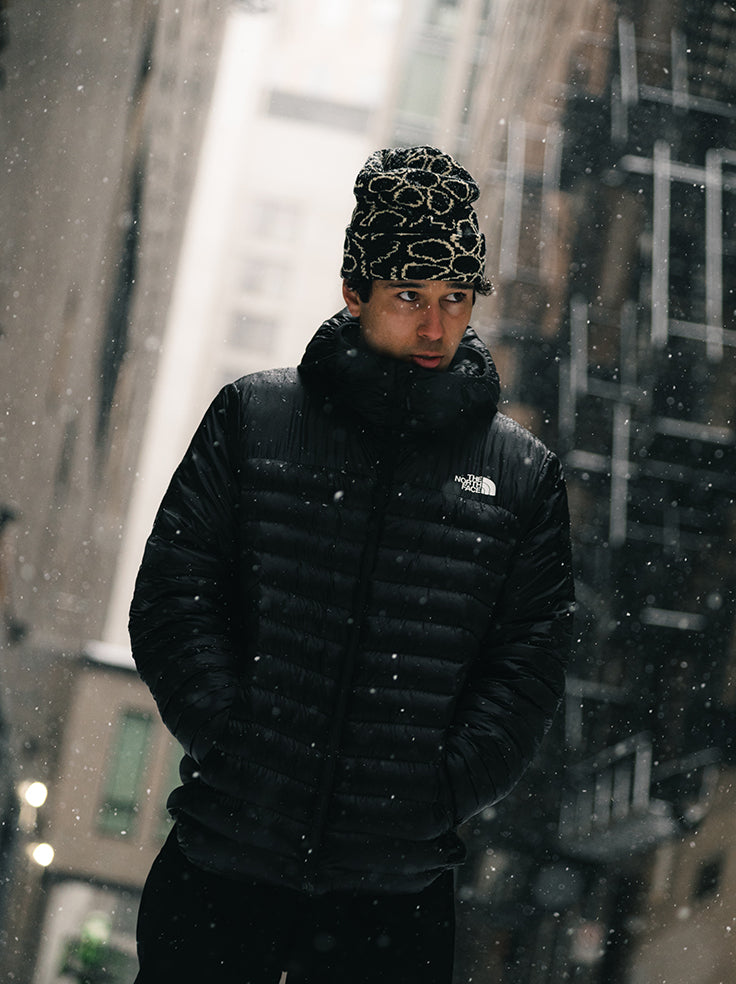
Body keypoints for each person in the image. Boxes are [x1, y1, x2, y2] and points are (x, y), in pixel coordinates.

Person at [129, 145, 575, 984]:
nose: (436, 327)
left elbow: (528, 668)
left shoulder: (521, 477)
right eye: (410, 295)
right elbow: (174, 597)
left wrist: (434, 793)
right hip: (225, 864)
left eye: (455, 297)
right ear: (354, 291)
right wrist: (235, 743)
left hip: (392, 900)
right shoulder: (255, 419)